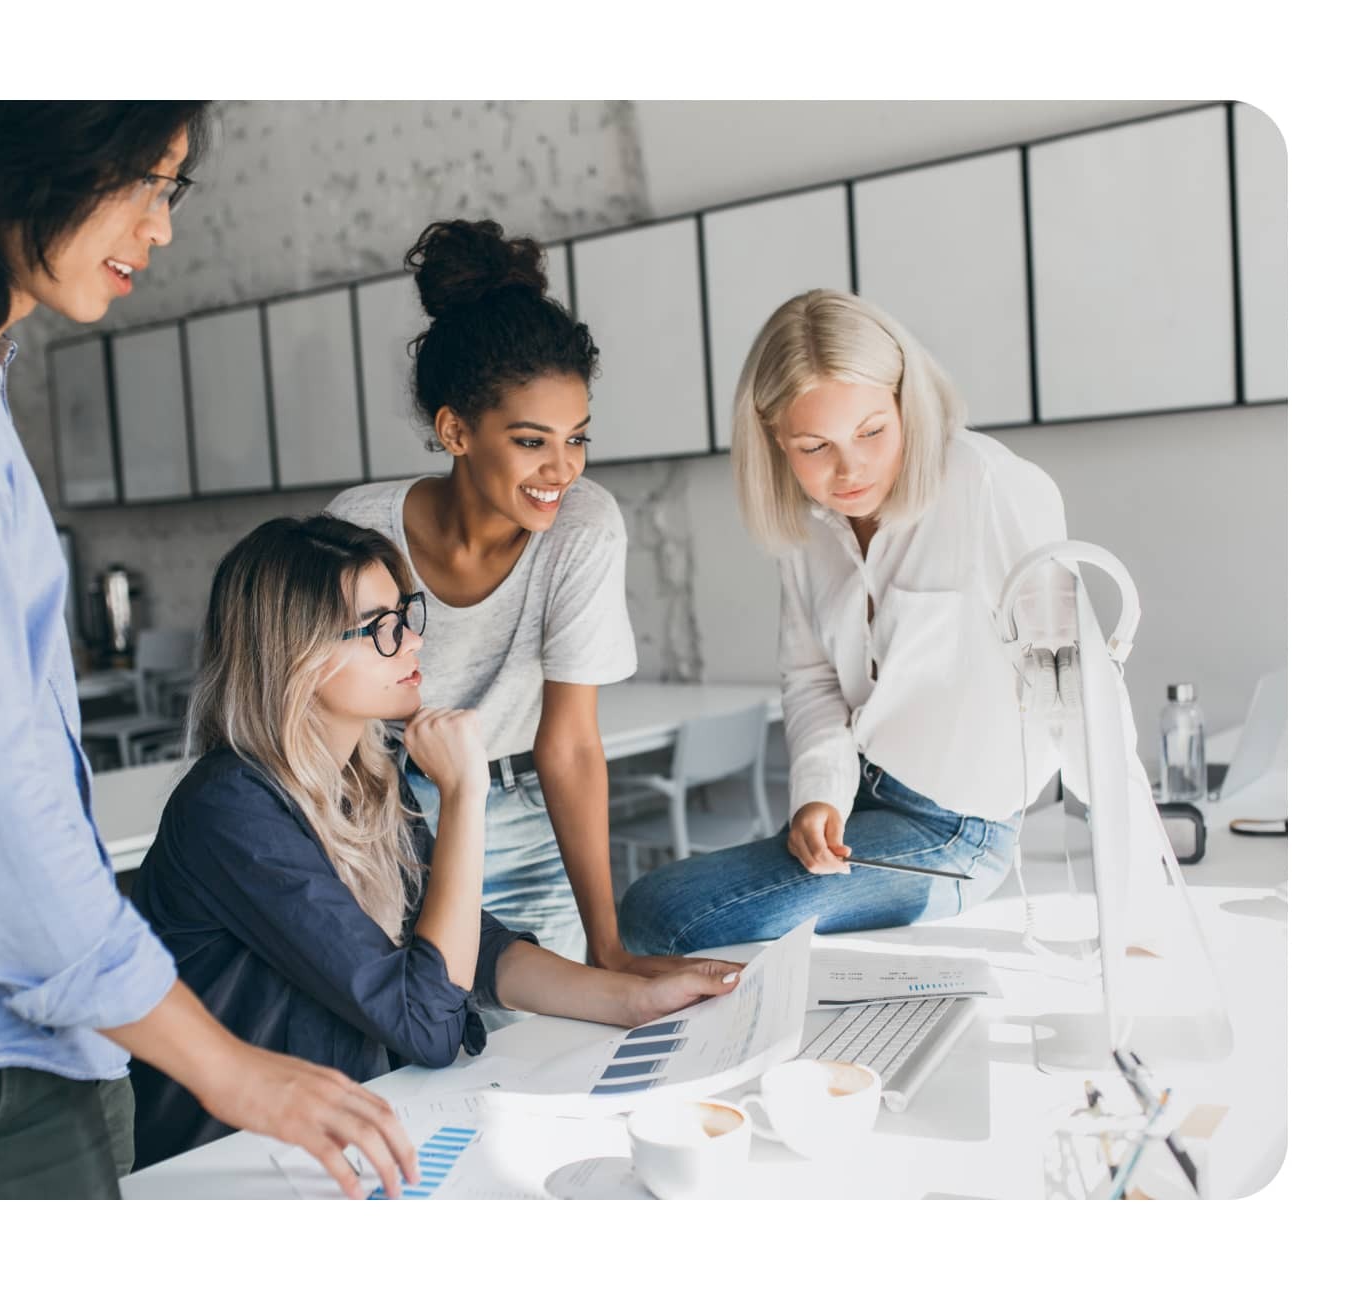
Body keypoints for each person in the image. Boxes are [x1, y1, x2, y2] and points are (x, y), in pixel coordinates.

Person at [0, 102, 415, 1200]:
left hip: (28, 1049)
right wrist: (230, 1069)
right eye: (142, 181)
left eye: (173, 189)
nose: (161, 226)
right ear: (20, 154)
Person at [127, 514, 740, 1167]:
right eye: (380, 628)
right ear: (295, 655)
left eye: (405, 616)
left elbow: (471, 947)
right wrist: (466, 794)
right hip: (233, 1166)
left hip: (354, 1131)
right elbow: (426, 1021)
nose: (413, 640)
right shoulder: (230, 810)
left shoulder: (363, 776)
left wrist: (634, 1000)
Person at [328, 218, 735, 984]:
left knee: (536, 1039)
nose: (562, 468)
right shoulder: (359, 528)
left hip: (522, 820)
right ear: (456, 431)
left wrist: (608, 946)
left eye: (576, 437)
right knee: (412, 1034)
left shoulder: (583, 528)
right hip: (385, 822)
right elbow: (324, 711)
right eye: (530, 441)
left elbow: (571, 744)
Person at [618, 290, 1068, 953]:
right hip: (862, 798)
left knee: (660, 913)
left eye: (871, 432)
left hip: (958, 833)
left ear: (906, 402)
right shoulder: (806, 526)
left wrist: (1141, 890)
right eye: (814, 446)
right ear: (775, 437)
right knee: (656, 911)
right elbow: (813, 680)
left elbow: (1077, 681)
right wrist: (818, 796)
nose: (849, 469)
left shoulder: (989, 484)